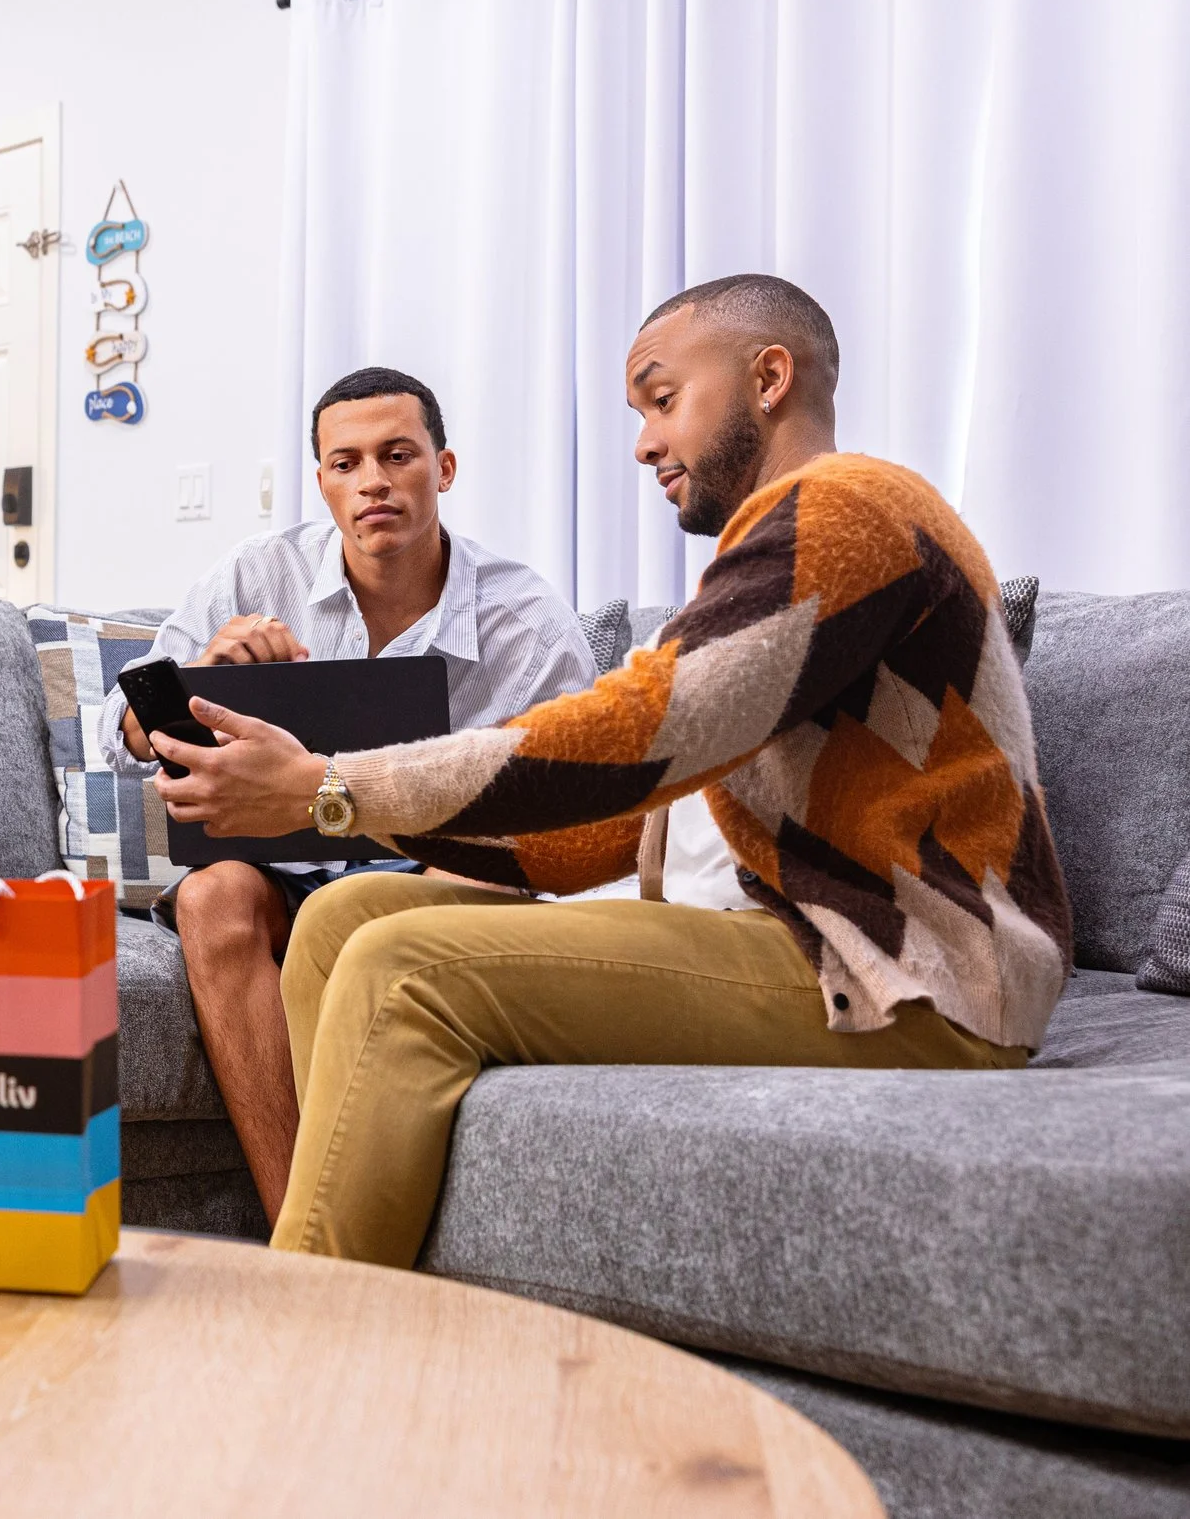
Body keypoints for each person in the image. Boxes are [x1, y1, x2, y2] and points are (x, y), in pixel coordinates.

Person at [151, 274, 1071, 1266]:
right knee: (342, 921)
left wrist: (327, 787)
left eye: (662, 398)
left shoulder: (848, 512)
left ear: (768, 377)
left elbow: (631, 738)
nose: (641, 442)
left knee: (400, 965)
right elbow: (601, 825)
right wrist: (329, 804)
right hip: (802, 932)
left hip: (915, 973)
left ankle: (311, 1322)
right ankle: (361, 1257)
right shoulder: (767, 549)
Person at [105, 368, 593, 1223]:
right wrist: (198, 681)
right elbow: (126, 732)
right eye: (347, 462)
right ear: (323, 480)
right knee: (213, 895)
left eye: (397, 455)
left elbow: (563, 805)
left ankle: (352, 1234)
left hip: (429, 872)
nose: (373, 480)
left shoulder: (528, 621)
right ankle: (302, 1229)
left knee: (489, 884)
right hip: (279, 875)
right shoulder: (257, 573)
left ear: (443, 469)